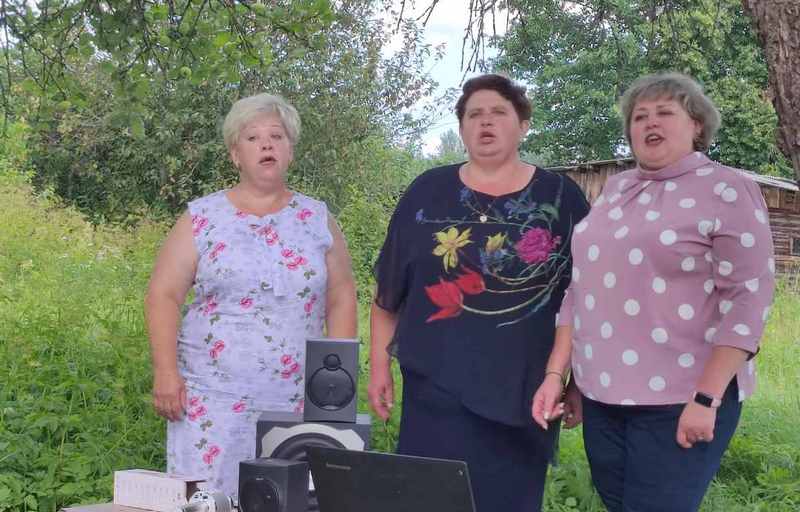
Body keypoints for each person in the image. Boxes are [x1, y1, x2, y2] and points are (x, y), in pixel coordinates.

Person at [532, 72, 776, 511]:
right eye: (639, 116)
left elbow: (748, 301)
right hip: (602, 397)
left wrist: (707, 398)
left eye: (665, 112)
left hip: (682, 397)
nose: (650, 123)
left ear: (697, 124)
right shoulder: (617, 188)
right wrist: (565, 378)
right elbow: (582, 290)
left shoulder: (728, 189)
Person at [368, 73, 589, 511]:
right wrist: (378, 367)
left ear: (523, 125)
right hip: (434, 390)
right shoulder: (426, 192)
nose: (485, 122)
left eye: (499, 113)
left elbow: (585, 299)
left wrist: (576, 383)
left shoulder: (561, 198)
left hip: (523, 395)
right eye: (474, 115)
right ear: (462, 127)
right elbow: (388, 290)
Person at [144, 93, 357, 497]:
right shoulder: (201, 217)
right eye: (253, 138)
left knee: (290, 499)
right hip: (211, 399)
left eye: (277, 136)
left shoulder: (317, 219)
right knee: (210, 500)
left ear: (290, 150)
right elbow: (162, 295)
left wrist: (338, 388)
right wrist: (165, 372)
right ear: (235, 154)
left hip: (297, 400)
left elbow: (341, 296)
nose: (266, 145)